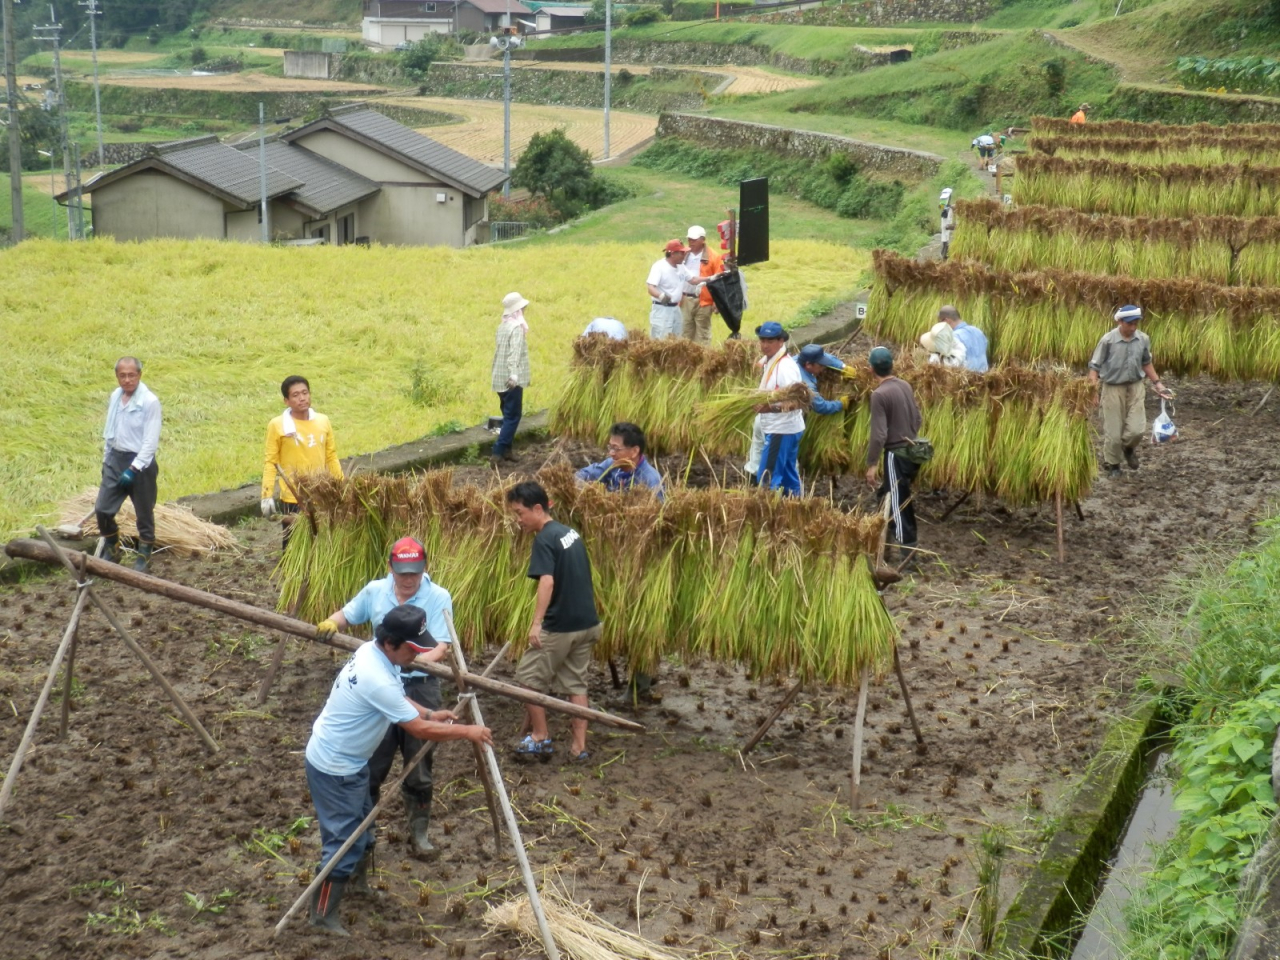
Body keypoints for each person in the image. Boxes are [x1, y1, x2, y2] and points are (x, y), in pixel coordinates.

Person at [305, 604, 491, 936]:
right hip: (335, 768)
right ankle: (321, 916)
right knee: (342, 842)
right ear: (390, 642)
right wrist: (467, 732)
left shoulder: (373, 653)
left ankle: (357, 886)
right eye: (413, 647)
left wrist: (432, 712)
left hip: (352, 762)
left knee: (363, 829)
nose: (418, 654)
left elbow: (402, 700)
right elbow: (418, 731)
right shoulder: (375, 676)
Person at [315, 537, 454, 860]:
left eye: (415, 573)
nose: (409, 579)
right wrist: (330, 623)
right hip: (379, 686)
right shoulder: (375, 591)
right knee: (373, 762)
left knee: (419, 764)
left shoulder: (437, 596)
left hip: (419, 684)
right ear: (391, 567)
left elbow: (440, 646)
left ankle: (418, 833)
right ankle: (366, 835)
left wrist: (411, 660)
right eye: (403, 572)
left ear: (424, 568)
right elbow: (347, 614)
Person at [506, 481, 602, 763]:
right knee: (575, 684)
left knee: (527, 681)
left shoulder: (544, 539)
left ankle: (540, 737)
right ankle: (579, 747)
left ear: (538, 508)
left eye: (520, 513)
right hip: (587, 624)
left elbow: (547, 581)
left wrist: (537, 624)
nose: (518, 520)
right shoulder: (569, 533)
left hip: (560, 627)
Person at [1087, 305, 1174, 478]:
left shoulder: (1142, 339)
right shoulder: (1108, 340)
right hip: (1113, 387)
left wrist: (1158, 384)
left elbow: (1146, 363)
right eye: (1129, 324)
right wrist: (1092, 391)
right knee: (1113, 431)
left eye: (1136, 323)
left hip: (1136, 386)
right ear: (1120, 322)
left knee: (1137, 429)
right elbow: (1094, 367)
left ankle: (1128, 449)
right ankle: (1113, 465)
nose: (1133, 327)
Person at [97, 356, 162, 572]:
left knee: (144, 512)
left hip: (140, 464)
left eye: (131, 375)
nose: (127, 380)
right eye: (122, 376)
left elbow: (150, 441)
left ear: (139, 375)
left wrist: (134, 468)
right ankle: (112, 547)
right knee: (103, 509)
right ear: (117, 376)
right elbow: (111, 430)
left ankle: (144, 555)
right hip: (116, 459)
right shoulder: (115, 397)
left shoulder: (149, 402)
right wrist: (107, 460)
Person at [261, 375, 343, 545]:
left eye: (305, 393)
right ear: (286, 401)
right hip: (294, 496)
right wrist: (266, 494)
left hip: (321, 492)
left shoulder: (323, 421)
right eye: (296, 395)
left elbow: (331, 456)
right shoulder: (277, 425)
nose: (302, 398)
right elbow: (271, 461)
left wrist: (342, 485)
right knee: (293, 546)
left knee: (323, 541)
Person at [865, 347, 923, 569]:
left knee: (899, 504)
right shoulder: (904, 385)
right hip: (911, 451)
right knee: (885, 496)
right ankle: (882, 548)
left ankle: (908, 558)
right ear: (892, 365)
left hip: (895, 454)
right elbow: (918, 418)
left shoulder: (879, 394)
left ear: (871, 369)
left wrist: (872, 464)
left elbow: (879, 434)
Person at [752, 321, 805, 496]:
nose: (765, 345)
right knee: (789, 477)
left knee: (767, 477)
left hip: (781, 431)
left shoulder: (785, 367)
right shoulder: (770, 361)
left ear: (781, 341)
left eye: (770, 341)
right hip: (786, 430)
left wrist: (769, 408)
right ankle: (797, 511)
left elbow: (798, 402)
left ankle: (769, 516)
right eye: (762, 341)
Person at [575, 421, 664, 500]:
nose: (611, 453)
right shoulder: (612, 464)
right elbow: (583, 475)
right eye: (610, 447)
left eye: (616, 448)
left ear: (634, 451)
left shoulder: (651, 480)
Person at [491, 292, 531, 463]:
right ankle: (498, 451)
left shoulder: (502, 326)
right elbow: (513, 353)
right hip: (511, 381)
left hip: (498, 379)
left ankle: (508, 451)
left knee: (508, 416)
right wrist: (514, 374)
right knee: (513, 417)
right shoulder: (516, 328)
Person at [680, 225, 725, 346]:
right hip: (685, 299)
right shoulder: (683, 254)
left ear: (703, 239)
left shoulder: (714, 257)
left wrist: (717, 302)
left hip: (704, 301)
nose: (691, 242)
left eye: (694, 240)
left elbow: (719, 281)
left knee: (702, 336)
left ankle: (703, 362)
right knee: (684, 334)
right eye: (689, 239)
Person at [646, 240, 688, 340]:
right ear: (673, 254)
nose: (684, 255)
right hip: (662, 309)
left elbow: (693, 279)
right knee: (661, 340)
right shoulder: (659, 267)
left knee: (676, 339)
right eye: (682, 253)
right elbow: (650, 287)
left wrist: (711, 278)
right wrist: (661, 296)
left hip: (676, 309)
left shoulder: (681, 267)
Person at [797, 343, 849, 417]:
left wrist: (843, 367)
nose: (824, 367)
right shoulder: (806, 384)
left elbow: (825, 356)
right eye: (821, 365)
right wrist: (841, 404)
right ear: (808, 365)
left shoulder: (798, 359)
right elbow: (820, 407)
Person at [937, 305, 989, 373]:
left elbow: (953, 364)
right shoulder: (978, 332)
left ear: (947, 321)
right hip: (984, 378)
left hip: (966, 379)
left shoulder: (954, 336)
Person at [939, 188, 955, 261]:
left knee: (945, 237)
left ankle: (944, 254)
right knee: (946, 238)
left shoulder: (945, 204)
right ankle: (944, 254)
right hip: (945, 222)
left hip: (945, 222)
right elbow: (941, 207)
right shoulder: (943, 204)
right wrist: (949, 207)